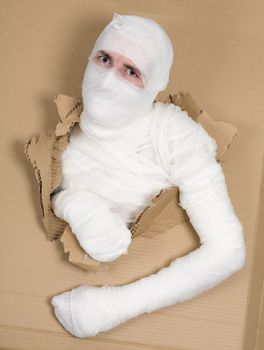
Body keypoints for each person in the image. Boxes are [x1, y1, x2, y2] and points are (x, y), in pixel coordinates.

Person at [51, 12, 246, 338]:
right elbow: (50, 186)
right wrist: (72, 203)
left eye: (131, 71)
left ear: (154, 85)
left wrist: (116, 306)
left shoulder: (173, 135)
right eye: (104, 58)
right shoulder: (66, 132)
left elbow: (228, 250)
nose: (109, 79)